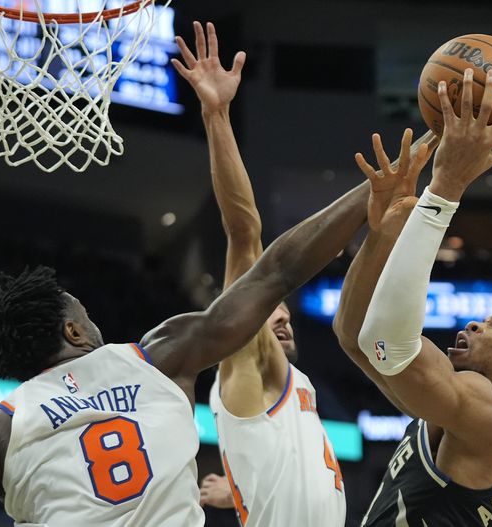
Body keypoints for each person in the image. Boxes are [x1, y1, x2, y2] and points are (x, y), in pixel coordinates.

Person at [0, 126, 372, 527]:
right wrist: (376, 188)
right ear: (73, 333)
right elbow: (277, 272)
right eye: (85, 314)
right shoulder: (157, 357)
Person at [172, 21, 407, 526]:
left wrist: (235, 495)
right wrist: (217, 115)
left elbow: (277, 477)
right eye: (267, 313)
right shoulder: (246, 367)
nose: (281, 319)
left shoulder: (287, 386)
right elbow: (243, 229)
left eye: (284, 314)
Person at [334, 68, 492, 526]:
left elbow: (385, 340)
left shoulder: (487, 417)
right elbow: (356, 336)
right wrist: (381, 237)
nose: (477, 324)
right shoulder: (452, 410)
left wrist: (445, 189)